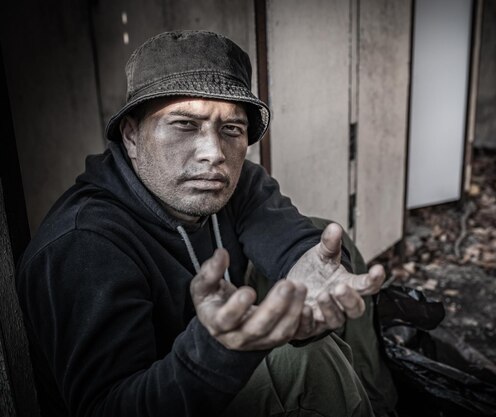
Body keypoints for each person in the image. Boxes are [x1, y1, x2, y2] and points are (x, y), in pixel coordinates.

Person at [16, 30, 396, 416]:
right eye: (184, 125)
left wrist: (317, 272)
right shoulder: (83, 245)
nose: (214, 153)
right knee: (305, 360)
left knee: (327, 252)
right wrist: (217, 352)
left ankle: (379, 402)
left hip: (205, 346)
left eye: (231, 129)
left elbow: (290, 237)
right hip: (161, 389)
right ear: (132, 136)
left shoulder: (236, 181)